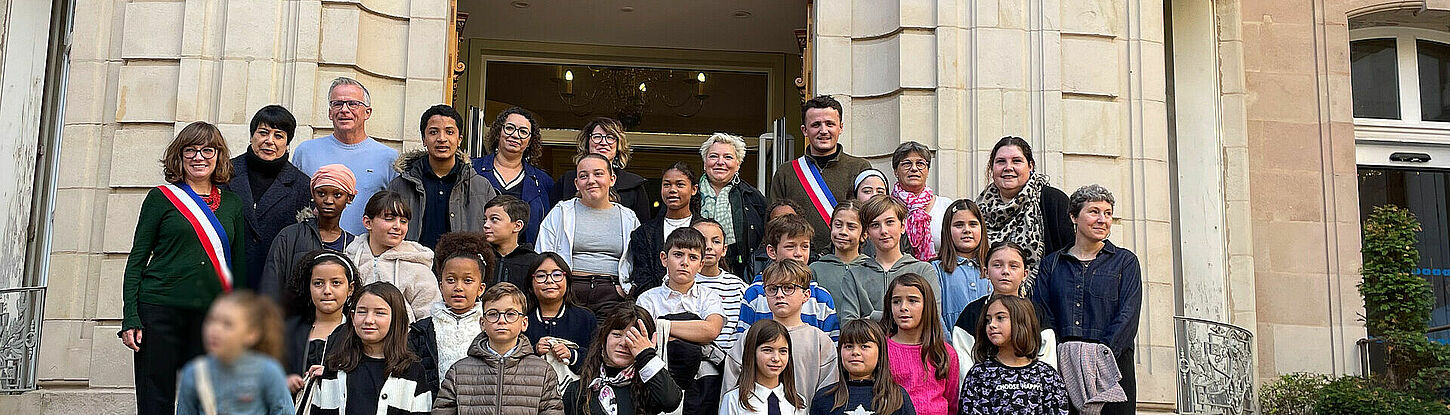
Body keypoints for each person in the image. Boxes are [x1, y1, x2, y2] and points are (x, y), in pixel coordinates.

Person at [121, 121, 245, 414]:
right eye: (190, 150)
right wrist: (131, 317)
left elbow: (237, 268)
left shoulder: (232, 204)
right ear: (179, 155)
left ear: (218, 156)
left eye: (207, 150)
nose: (199, 157)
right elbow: (137, 259)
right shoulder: (160, 198)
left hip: (210, 314)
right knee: (155, 396)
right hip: (159, 309)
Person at [1031, 185, 1141, 415]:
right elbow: (1043, 313)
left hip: (1113, 367)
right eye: (1094, 212)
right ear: (1074, 216)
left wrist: (1101, 355)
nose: (1102, 219)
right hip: (1063, 368)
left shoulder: (1125, 262)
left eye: (1108, 213)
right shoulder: (1051, 264)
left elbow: (1128, 314)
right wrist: (1061, 354)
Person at [432, 282, 565, 415]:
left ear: (524, 323)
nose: (501, 320)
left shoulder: (542, 371)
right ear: (482, 323)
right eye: (493, 314)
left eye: (510, 314)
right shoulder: (459, 372)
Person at [293, 77, 400, 235]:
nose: (344, 109)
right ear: (330, 112)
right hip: (313, 245)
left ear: (367, 112)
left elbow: (395, 212)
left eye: (353, 104)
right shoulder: (306, 152)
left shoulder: (389, 158)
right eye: (337, 104)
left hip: (366, 248)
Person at [635, 227, 725, 415]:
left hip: (701, 381)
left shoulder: (709, 297)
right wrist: (693, 332)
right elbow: (646, 339)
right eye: (678, 255)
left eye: (693, 257)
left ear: (701, 265)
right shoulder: (647, 299)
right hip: (659, 375)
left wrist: (663, 325)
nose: (684, 262)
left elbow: (711, 330)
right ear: (664, 258)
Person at [224, 105, 313, 291]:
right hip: (228, 281)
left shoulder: (302, 185)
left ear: (287, 143)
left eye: (278, 136)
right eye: (263, 133)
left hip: (276, 287)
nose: (269, 141)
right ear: (252, 136)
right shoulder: (224, 174)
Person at [307, 282, 432, 414]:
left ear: (396, 319)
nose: (369, 320)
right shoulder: (334, 367)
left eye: (380, 313)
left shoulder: (412, 372)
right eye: (362, 312)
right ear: (353, 317)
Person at [538, 153, 642, 312]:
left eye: (598, 174)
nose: (591, 180)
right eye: (583, 176)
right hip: (569, 292)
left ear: (612, 179)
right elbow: (543, 254)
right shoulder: (561, 212)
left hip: (613, 294)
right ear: (576, 183)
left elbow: (639, 261)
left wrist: (626, 290)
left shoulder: (628, 217)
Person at [724, 260, 837, 403]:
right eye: (772, 289)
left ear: (806, 295)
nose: (779, 295)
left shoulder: (820, 341)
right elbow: (731, 386)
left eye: (788, 288)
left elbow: (828, 393)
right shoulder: (752, 336)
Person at [769, 96, 871, 255]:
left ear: (841, 127)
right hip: (798, 259)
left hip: (846, 258)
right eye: (816, 125)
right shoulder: (786, 172)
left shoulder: (859, 168)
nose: (823, 131)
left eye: (830, 124)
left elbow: (866, 219)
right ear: (804, 130)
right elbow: (775, 225)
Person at [387, 104, 499, 248]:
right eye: (433, 132)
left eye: (449, 132)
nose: (442, 138)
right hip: (411, 261)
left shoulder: (481, 187)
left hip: (464, 262)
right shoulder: (400, 185)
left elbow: (496, 237)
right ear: (424, 139)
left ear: (459, 139)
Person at [974, 136, 1073, 290]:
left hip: (1041, 299)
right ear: (992, 168)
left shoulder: (1053, 201)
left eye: (1016, 161)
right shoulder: (979, 208)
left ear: (1030, 166)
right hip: (990, 298)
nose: (1008, 167)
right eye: (1001, 161)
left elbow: (1069, 257)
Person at [175, 291, 292, 415]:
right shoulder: (194, 372)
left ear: (252, 333)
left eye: (227, 324)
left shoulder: (268, 371)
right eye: (211, 320)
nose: (214, 330)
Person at [408, 232, 498, 392]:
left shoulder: (491, 327)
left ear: (481, 288)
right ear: (441, 286)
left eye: (467, 280)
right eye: (451, 280)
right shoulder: (421, 331)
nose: (458, 287)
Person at [951, 242, 1057, 372]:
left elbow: (1047, 361)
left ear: (1025, 274)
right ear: (986, 272)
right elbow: (963, 363)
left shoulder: (1037, 314)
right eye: (997, 265)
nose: (1005, 271)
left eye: (1013, 266)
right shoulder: (972, 313)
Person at [262, 164, 358, 305]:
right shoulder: (289, 237)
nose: (328, 201)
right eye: (321, 193)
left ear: (349, 198)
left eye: (337, 195)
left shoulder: (354, 244)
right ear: (313, 194)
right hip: (294, 317)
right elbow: (271, 286)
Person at [562, 306, 683, 415]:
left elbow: (671, 402)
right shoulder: (577, 390)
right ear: (604, 339)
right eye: (617, 334)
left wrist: (646, 356)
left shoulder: (649, 387)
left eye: (633, 337)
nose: (624, 343)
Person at [959, 296, 1069, 415]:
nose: (992, 324)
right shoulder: (979, 374)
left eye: (1000, 318)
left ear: (1021, 322)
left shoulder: (1047, 375)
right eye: (988, 320)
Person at [343, 190, 441, 321]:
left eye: (403, 221)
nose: (398, 226)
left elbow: (430, 318)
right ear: (367, 222)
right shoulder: (349, 261)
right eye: (389, 219)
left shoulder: (418, 268)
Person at [736, 215, 840, 339]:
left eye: (804, 246)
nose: (798, 253)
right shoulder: (755, 294)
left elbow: (831, 345)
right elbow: (744, 342)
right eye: (790, 246)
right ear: (772, 251)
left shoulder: (821, 297)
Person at [690, 218, 749, 415]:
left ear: (724, 249)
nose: (708, 246)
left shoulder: (738, 286)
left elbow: (743, 328)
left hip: (730, 365)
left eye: (715, 241)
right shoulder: (682, 281)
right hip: (694, 365)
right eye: (701, 240)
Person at [473, 107, 555, 245]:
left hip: (525, 255)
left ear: (530, 141)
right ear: (499, 132)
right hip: (478, 252)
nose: (516, 135)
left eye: (523, 132)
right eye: (510, 128)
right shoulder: (472, 170)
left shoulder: (543, 181)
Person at [847, 195, 938, 319]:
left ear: (902, 226)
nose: (883, 231)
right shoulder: (854, 275)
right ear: (867, 232)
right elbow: (849, 324)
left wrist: (872, 317)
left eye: (889, 222)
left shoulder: (923, 271)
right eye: (875, 225)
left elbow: (931, 318)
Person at [282, 250, 360, 393]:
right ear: (309, 287)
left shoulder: (358, 332)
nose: (327, 290)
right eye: (318, 283)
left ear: (350, 288)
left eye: (336, 283)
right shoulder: (290, 330)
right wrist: (283, 382)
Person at [881, 274, 959, 415]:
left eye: (912, 301)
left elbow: (952, 404)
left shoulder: (945, 352)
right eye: (896, 301)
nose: (903, 307)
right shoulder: (881, 349)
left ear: (926, 306)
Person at [694, 133, 768, 279]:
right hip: (692, 271)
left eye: (728, 157)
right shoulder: (690, 194)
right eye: (713, 156)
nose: (720, 162)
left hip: (741, 273)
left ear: (738, 164)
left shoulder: (753, 197)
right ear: (704, 163)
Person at [552, 117, 655, 221]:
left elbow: (643, 226)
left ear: (618, 145)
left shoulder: (634, 185)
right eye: (597, 137)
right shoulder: (566, 181)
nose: (603, 142)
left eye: (610, 137)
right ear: (587, 143)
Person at [809, 319, 915, 415]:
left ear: (880, 353)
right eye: (848, 346)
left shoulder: (897, 396)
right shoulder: (824, 398)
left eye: (864, 346)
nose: (855, 352)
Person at [630, 162, 699, 297]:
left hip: (697, 301)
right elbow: (642, 277)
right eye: (667, 185)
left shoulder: (704, 229)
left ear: (694, 189)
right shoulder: (644, 233)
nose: (672, 189)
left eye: (680, 185)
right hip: (655, 303)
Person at [523, 252, 599, 372]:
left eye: (557, 275)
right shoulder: (522, 319)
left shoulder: (585, 318)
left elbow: (596, 359)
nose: (549, 281)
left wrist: (572, 355)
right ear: (530, 284)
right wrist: (534, 350)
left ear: (567, 280)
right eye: (541, 276)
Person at [719, 320, 808, 415]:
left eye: (783, 351)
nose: (776, 358)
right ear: (752, 352)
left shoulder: (798, 403)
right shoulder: (734, 400)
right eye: (768, 350)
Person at [933, 199, 993, 339]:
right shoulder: (935, 270)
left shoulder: (994, 267)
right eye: (959, 225)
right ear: (947, 230)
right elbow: (935, 316)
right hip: (952, 346)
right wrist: (950, 347)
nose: (967, 230)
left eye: (973, 224)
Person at [810, 200, 873, 322]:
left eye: (851, 227)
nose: (843, 232)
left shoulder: (872, 268)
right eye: (838, 225)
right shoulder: (815, 269)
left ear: (864, 234)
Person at [889, 141, 949, 261]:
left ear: (927, 171)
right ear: (896, 171)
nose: (914, 168)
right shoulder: (886, 207)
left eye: (920, 164)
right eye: (907, 164)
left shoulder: (945, 206)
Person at [485, 195, 543, 297]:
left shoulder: (533, 263)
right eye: (485, 220)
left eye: (494, 219)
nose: (486, 225)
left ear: (517, 226)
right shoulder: (480, 257)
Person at [747, 200, 805, 276]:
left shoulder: (811, 259)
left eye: (790, 218)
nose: (784, 224)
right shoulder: (757, 260)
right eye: (777, 220)